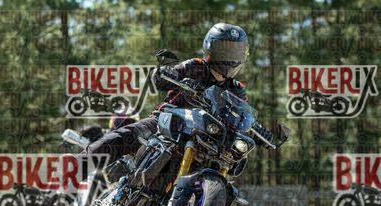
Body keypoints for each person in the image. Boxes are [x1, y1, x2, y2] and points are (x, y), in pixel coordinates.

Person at [84, 22, 273, 161]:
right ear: (210, 48)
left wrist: (260, 132)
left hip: (205, 139)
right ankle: (75, 169)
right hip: (168, 122)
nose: (230, 58)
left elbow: (243, 116)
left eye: (236, 52)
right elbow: (162, 78)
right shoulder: (195, 67)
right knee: (123, 137)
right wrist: (166, 73)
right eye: (225, 51)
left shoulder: (237, 90)